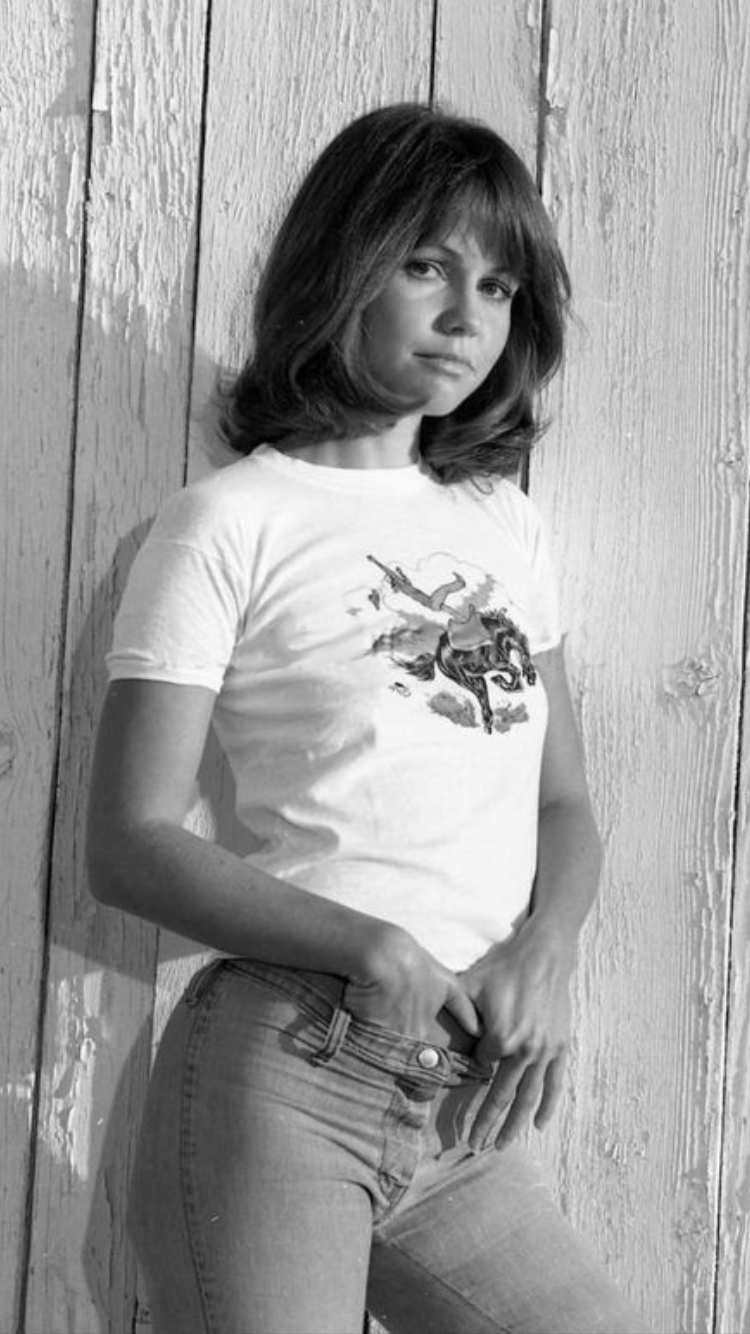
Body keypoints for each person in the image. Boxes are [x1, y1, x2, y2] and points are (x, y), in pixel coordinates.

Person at [87, 103, 649, 1334]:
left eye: (497, 287)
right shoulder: (228, 522)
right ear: (342, 267)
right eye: (427, 267)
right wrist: (377, 946)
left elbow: (565, 801)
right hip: (289, 1066)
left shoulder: (503, 525)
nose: (466, 317)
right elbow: (128, 841)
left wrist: (548, 948)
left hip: (459, 1105)